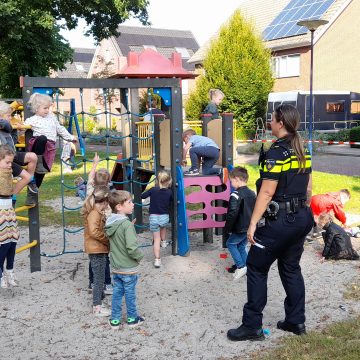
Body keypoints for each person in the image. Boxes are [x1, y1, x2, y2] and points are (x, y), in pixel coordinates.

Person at [227, 104, 313, 341]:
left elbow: (266, 193)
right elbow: (308, 188)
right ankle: (296, 321)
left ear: (280, 123)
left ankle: (252, 326)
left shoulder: (277, 152)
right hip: (301, 217)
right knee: (291, 268)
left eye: (272, 119)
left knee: (255, 267)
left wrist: (253, 223)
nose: (269, 122)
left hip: (282, 220)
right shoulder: (301, 148)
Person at [105, 190, 144, 330]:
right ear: (119, 207)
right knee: (130, 294)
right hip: (128, 267)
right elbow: (131, 248)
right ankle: (132, 318)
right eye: (129, 202)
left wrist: (129, 227)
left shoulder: (111, 223)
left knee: (117, 293)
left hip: (116, 266)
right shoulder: (126, 225)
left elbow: (118, 240)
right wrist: (140, 257)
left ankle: (115, 320)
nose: (132, 204)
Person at [24, 93, 77, 194]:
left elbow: (60, 129)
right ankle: (39, 161)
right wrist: (19, 127)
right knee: (43, 138)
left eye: (48, 108)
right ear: (36, 108)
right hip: (38, 145)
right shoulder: (32, 120)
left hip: (49, 148)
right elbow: (22, 129)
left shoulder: (52, 117)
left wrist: (70, 137)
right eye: (45, 108)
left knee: (42, 171)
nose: (47, 110)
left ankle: (33, 193)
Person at [0, 102, 38, 204]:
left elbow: (14, 141)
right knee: (26, 176)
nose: (10, 118)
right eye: (8, 116)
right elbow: (4, 123)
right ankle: (13, 198)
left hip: (13, 154)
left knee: (33, 157)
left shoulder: (8, 128)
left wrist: (16, 131)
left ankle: (31, 182)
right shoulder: (3, 126)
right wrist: (10, 126)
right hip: (5, 158)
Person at [86, 152, 113, 294]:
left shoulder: (90, 191)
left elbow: (90, 177)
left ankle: (92, 282)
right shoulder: (106, 197)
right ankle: (107, 283)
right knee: (104, 257)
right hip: (102, 231)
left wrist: (95, 163)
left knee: (93, 257)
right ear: (108, 182)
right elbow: (109, 217)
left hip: (90, 228)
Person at [81, 185, 111, 317]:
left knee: (100, 278)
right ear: (104, 202)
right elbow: (94, 232)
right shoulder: (94, 213)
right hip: (96, 249)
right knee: (99, 280)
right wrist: (106, 239)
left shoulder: (97, 213)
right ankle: (97, 307)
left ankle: (100, 301)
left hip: (99, 249)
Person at [224, 167, 256, 280]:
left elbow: (232, 213)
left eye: (232, 181)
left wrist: (227, 228)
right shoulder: (252, 193)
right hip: (249, 227)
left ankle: (241, 266)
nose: (231, 184)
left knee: (231, 244)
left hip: (239, 227)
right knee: (241, 246)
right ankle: (247, 266)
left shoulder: (235, 195)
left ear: (237, 179)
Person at [141, 170, 173, 268]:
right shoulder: (170, 192)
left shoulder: (153, 190)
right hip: (164, 217)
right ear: (169, 181)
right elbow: (171, 201)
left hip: (153, 217)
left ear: (158, 180)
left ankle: (157, 260)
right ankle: (164, 241)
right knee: (163, 226)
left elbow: (142, 196)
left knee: (156, 239)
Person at [0, 145, 20, 288]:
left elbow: (26, 177)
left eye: (11, 163)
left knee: (13, 241)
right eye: (7, 162)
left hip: (9, 210)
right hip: (0, 210)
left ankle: (10, 271)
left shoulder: (9, 172)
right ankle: (0, 274)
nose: (9, 165)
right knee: (4, 244)